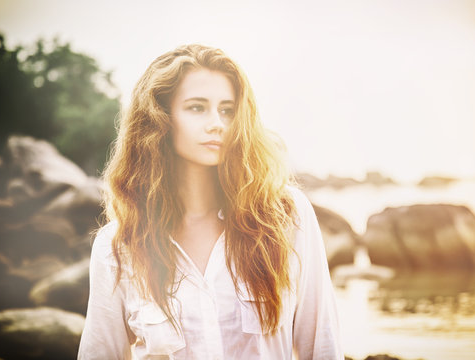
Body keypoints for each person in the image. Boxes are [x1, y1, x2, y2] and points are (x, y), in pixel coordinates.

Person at [78, 44, 342, 359]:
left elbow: (322, 346)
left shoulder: (286, 217)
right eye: (197, 107)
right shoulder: (118, 246)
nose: (217, 122)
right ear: (159, 117)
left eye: (227, 110)